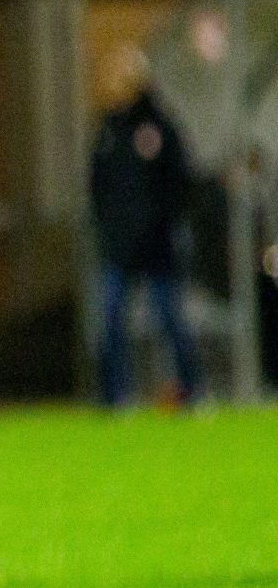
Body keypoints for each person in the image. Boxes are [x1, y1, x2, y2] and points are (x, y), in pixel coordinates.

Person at [89, 43, 203, 408]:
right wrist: (107, 227)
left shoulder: (160, 127)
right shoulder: (107, 130)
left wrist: (161, 222)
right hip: (118, 246)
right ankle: (116, 398)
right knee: (109, 320)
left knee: (170, 317)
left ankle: (193, 392)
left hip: (156, 244)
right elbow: (96, 186)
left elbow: (179, 181)